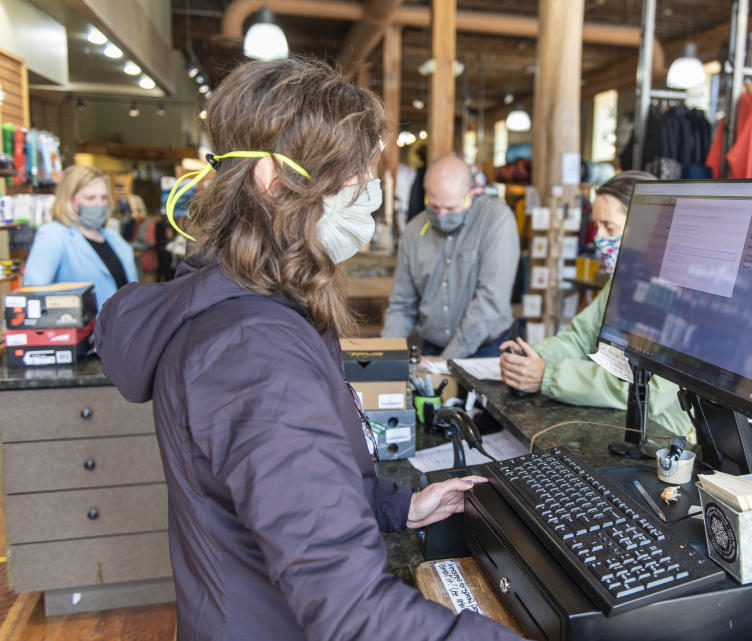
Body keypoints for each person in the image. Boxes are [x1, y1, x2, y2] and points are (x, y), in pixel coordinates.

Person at [94, 59, 523, 641]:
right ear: (275, 180)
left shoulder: (252, 305)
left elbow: (290, 495)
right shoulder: (252, 351)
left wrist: (403, 506)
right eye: (355, 177)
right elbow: (355, 613)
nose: (367, 195)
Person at [498, 171, 694, 442]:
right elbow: (581, 339)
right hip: (616, 427)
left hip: (662, 442)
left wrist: (549, 376)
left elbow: (646, 392)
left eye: (609, 227)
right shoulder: (623, 280)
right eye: (596, 227)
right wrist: (530, 357)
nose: (598, 238)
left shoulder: (682, 294)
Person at [382, 155, 520, 362]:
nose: (441, 216)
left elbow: (491, 299)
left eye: (451, 208)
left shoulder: (496, 220)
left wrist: (448, 359)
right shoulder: (413, 231)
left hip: (487, 350)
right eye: (434, 206)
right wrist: (384, 357)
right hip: (432, 348)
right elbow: (402, 305)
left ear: (471, 194)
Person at [23, 165, 138, 310]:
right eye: (90, 198)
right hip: (84, 330)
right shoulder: (53, 236)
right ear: (70, 200)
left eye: (103, 198)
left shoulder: (115, 239)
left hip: (127, 328)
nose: (99, 204)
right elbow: (33, 293)